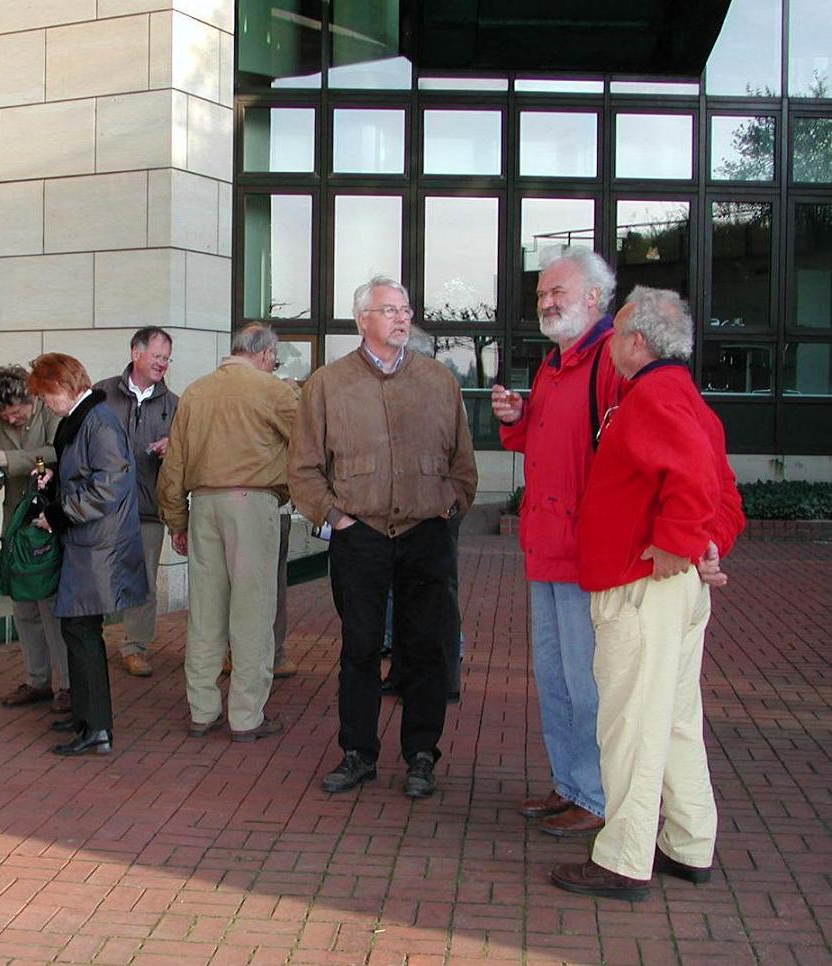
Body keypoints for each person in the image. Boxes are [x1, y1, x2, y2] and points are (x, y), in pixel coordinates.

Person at [551, 287, 744, 901]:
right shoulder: (681, 396)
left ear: (635, 343)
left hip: (641, 587)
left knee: (631, 722)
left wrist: (679, 541)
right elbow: (722, 491)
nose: (608, 348)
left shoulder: (653, 397)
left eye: (616, 337)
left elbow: (691, 481)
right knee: (677, 719)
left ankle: (624, 858)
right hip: (669, 587)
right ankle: (688, 843)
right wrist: (705, 544)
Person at [289, 275, 477, 798]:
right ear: (363, 319)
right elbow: (303, 467)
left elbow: (463, 462)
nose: (402, 317)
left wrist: (451, 507)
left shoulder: (440, 380)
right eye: (390, 309)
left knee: (426, 648)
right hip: (361, 535)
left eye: (406, 308)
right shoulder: (328, 384)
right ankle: (358, 753)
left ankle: (421, 754)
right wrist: (335, 518)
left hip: (426, 534)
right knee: (360, 648)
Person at [490, 247, 624, 838]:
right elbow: (546, 445)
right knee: (555, 677)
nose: (545, 302)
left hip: (586, 554)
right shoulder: (554, 364)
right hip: (546, 547)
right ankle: (570, 784)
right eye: (542, 293)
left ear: (594, 298)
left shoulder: (614, 360)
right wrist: (518, 415)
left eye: (557, 293)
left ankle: (595, 796)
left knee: (588, 681)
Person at [157, 323, 299, 741]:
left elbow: (174, 466)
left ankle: (202, 710)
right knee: (253, 611)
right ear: (267, 354)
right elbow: (308, 443)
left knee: (205, 612)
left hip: (203, 504)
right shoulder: (272, 391)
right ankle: (246, 716)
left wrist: (176, 520)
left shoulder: (197, 392)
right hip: (252, 503)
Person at [27, 353, 148, 756]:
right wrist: (56, 476)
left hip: (98, 544)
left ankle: (96, 726)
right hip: (91, 542)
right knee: (78, 630)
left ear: (63, 386)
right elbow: (92, 474)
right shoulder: (90, 416)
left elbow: (108, 486)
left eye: (45, 395)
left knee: (82, 632)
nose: (45, 403)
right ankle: (86, 715)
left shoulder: (97, 420)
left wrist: (58, 514)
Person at [0, 364, 71, 715]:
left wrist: (7, 458)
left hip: (47, 516)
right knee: (23, 606)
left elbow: (59, 450)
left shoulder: (50, 411)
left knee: (50, 605)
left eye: (17, 413)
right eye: (4, 416)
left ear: (31, 399)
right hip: (15, 518)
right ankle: (37, 679)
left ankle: (67, 685)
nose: (11, 421)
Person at [93, 327, 179, 678]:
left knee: (142, 582)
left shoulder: (173, 404)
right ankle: (90, 641)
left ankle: (135, 647)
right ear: (136, 354)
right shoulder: (101, 392)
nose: (162, 364)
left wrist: (173, 447)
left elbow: (186, 451)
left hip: (147, 506)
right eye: (157, 356)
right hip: (102, 507)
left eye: (167, 358)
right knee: (96, 577)